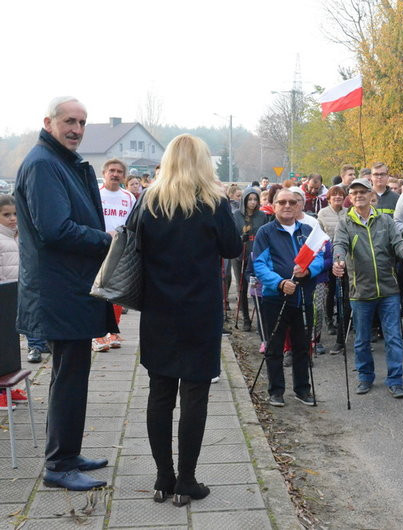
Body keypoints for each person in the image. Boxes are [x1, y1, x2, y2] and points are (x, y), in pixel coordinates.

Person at [15, 97, 114, 490]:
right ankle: (58, 465)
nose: (76, 129)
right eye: (69, 121)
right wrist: (106, 240)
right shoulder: (43, 164)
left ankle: (68, 454)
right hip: (59, 291)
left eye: (82, 122)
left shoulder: (60, 162)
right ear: (49, 123)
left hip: (70, 289)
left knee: (71, 375)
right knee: (68, 377)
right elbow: (55, 230)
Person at [138, 134, 240, 504]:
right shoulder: (213, 204)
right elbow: (232, 248)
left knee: (159, 393)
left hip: (158, 310)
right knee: (195, 394)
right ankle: (187, 480)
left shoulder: (149, 201)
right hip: (199, 311)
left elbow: (134, 245)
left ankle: (162, 478)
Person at [332, 178, 403, 398]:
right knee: (361, 339)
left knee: (393, 338)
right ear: (350, 198)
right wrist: (338, 260)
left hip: (388, 290)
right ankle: (365, 377)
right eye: (354, 193)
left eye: (363, 192)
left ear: (371, 195)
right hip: (360, 291)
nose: (359, 195)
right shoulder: (345, 222)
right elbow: (339, 245)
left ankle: (395, 380)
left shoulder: (385, 220)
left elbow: (397, 243)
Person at [252, 188, 323, 407]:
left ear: (300, 205)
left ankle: (302, 389)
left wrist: (309, 271)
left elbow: (319, 257)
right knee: (274, 346)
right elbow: (259, 265)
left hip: (303, 297)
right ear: (274, 206)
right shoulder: (265, 232)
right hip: (275, 298)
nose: (287, 206)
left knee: (302, 346)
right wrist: (280, 283)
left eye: (292, 202)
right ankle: (276, 391)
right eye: (282, 202)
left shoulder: (308, 231)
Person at [93, 158, 137, 353]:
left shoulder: (129, 197)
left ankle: (113, 330)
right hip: (99, 247)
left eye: (119, 171)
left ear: (124, 176)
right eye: (111, 170)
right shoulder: (95, 195)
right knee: (99, 290)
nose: (115, 174)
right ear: (104, 173)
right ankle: (96, 334)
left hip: (121, 249)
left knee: (117, 289)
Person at [0, 194, 29, 408]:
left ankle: (9, 386)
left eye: (15, 214)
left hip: (14, 297)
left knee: (11, 346)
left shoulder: (17, 237)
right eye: (6, 215)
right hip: (3, 296)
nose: (12, 218)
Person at [232, 187, 269, 332]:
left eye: (255, 199)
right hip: (240, 254)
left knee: (257, 286)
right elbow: (232, 234)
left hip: (257, 255)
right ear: (244, 200)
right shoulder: (236, 215)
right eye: (250, 199)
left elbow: (265, 233)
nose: (252, 202)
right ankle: (246, 319)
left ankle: (260, 317)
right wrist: (240, 238)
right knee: (241, 288)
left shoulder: (262, 216)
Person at [318, 185, 348, 347]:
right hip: (329, 256)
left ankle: (343, 321)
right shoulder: (323, 213)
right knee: (330, 292)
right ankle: (329, 320)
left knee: (343, 291)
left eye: (340, 195)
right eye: (334, 195)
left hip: (344, 257)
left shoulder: (348, 213)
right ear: (329, 198)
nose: (338, 198)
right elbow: (320, 235)